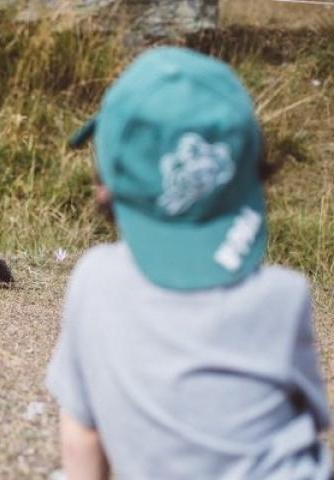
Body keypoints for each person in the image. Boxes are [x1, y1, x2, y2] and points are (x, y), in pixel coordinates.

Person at [45, 46, 331, 480]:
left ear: (107, 186)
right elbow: (304, 419)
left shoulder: (93, 280)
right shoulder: (283, 295)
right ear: (253, 174)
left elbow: (81, 436)